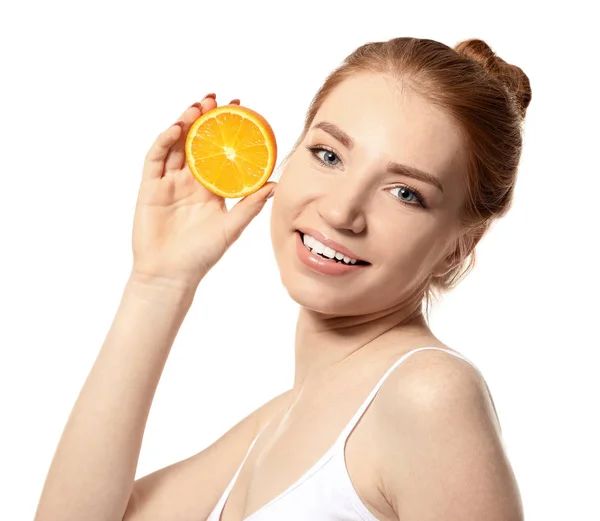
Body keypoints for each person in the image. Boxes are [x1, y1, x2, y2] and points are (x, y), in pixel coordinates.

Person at [34, 36, 530, 521]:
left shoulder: (430, 396)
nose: (341, 212)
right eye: (328, 155)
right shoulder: (281, 420)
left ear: (459, 246)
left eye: (404, 192)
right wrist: (159, 281)